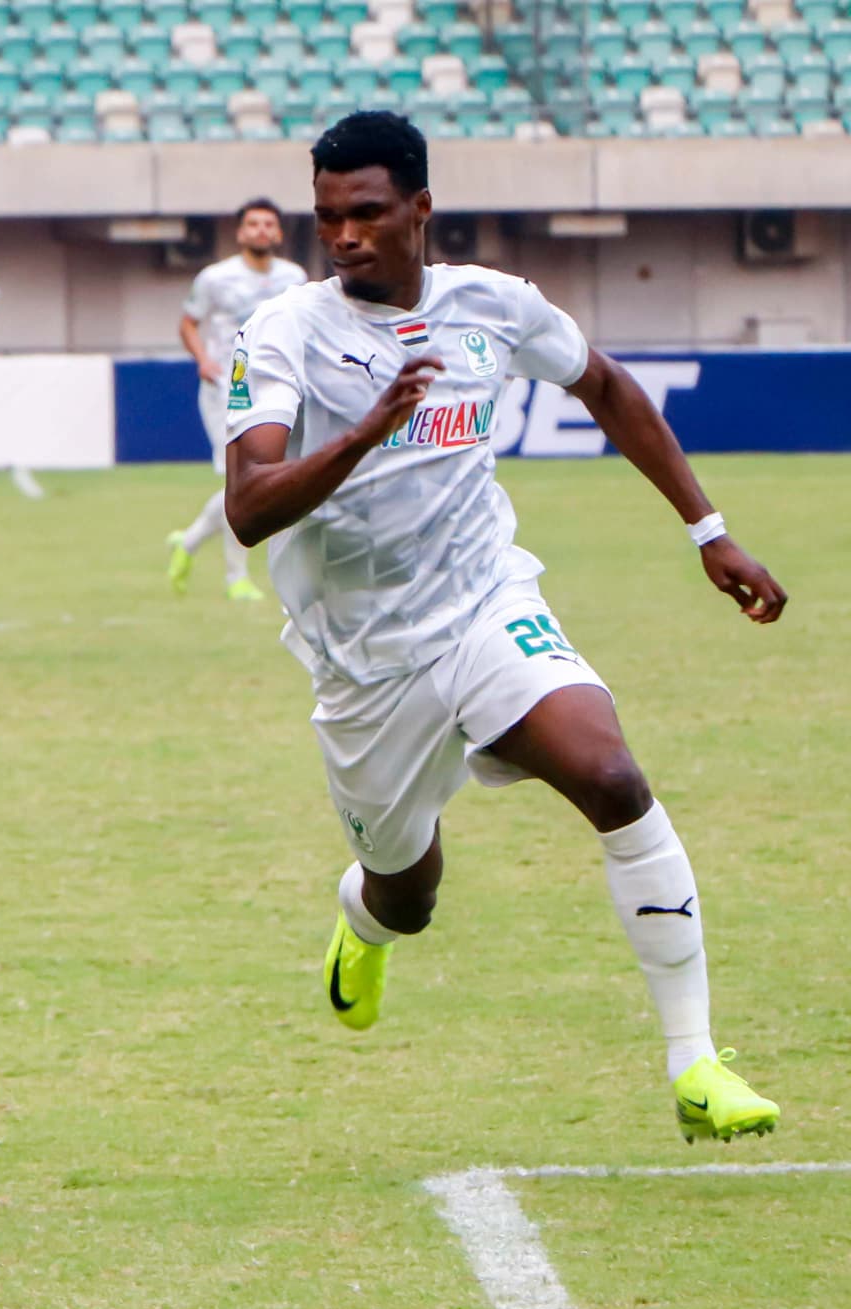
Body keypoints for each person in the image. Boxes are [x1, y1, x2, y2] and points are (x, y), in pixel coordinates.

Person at [224, 111, 790, 1144]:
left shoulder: (493, 306)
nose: (341, 236)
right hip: (365, 667)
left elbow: (608, 387)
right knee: (408, 892)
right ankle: (362, 923)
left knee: (612, 777)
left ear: (418, 209)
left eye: (364, 213)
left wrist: (709, 532)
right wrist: (362, 434)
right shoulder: (281, 334)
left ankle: (694, 1061)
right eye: (325, 218)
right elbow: (249, 506)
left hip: (486, 604)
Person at [169, 199, 306, 603]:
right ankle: (236, 579)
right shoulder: (215, 277)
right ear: (240, 232)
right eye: (253, 224)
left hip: (277, 387)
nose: (261, 230)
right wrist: (203, 359)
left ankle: (189, 542)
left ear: (278, 233)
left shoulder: (294, 276)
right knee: (239, 481)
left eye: (269, 224)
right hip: (227, 389)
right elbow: (188, 323)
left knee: (259, 478)